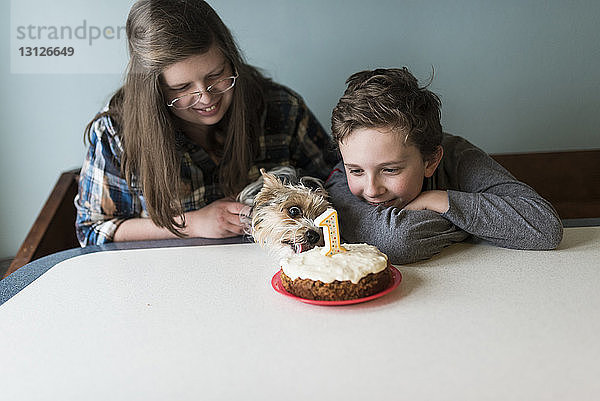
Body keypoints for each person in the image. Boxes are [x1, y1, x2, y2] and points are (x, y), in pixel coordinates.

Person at [75, 0, 338, 246]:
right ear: (154, 91)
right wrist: (191, 224)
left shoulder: (281, 109)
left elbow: (337, 185)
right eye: (182, 87)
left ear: (232, 61)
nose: (206, 97)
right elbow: (93, 229)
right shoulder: (117, 132)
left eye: (217, 75)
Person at [325, 67, 563, 264]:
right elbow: (396, 242)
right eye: (356, 171)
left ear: (431, 161)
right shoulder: (337, 186)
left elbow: (546, 228)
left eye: (390, 170)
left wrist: (439, 200)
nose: (371, 189)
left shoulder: (459, 156)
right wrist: (469, 226)